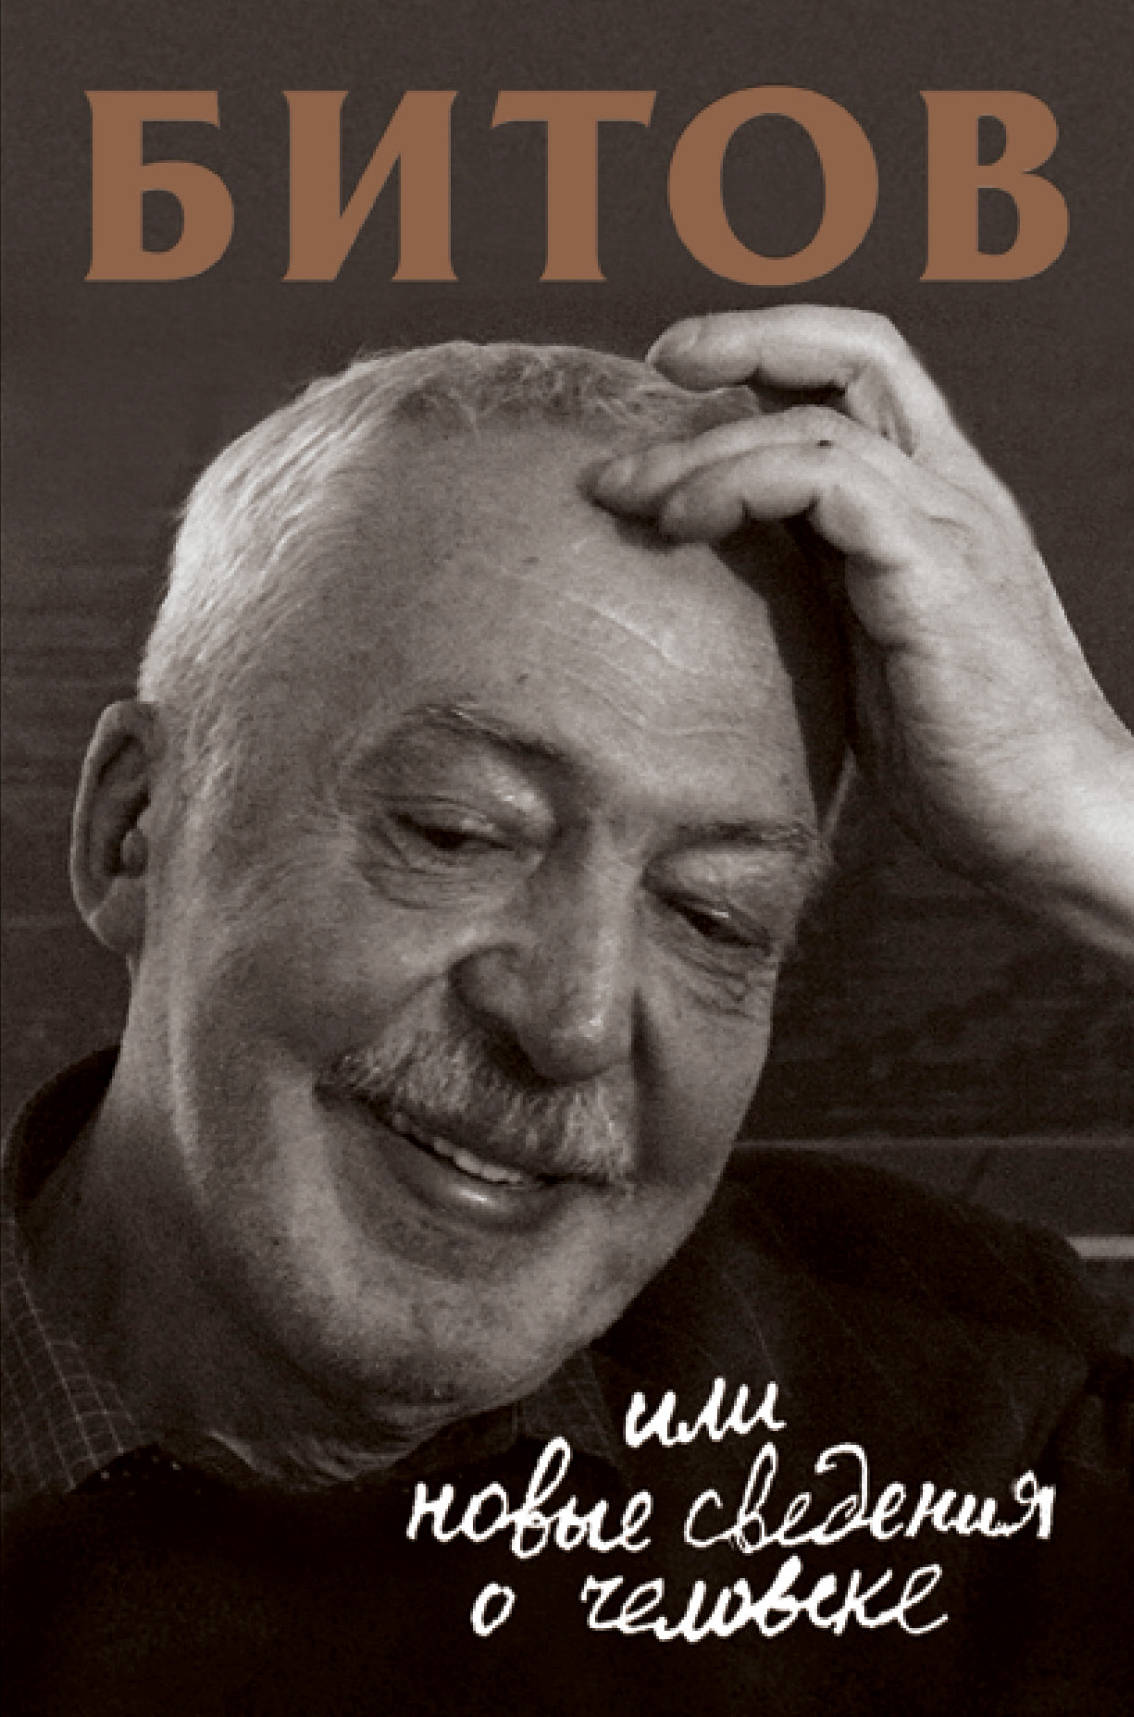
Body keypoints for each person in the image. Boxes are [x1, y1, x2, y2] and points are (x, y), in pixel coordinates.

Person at [3, 307, 1131, 1714]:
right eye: (457, 831)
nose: (575, 1020)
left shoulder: (954, 1413)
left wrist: (1098, 819)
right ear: (132, 830)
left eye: (716, 915)